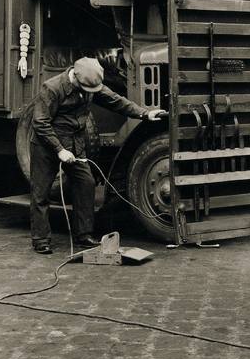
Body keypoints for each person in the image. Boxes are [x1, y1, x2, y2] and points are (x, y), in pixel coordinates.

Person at [29, 57, 164, 254]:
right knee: (41, 192)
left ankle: (83, 235)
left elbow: (117, 101)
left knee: (86, 183)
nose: (88, 93)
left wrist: (145, 114)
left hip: (75, 144)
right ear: (74, 76)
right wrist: (59, 150)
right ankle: (41, 239)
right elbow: (40, 123)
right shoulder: (52, 88)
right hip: (46, 146)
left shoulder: (90, 84)